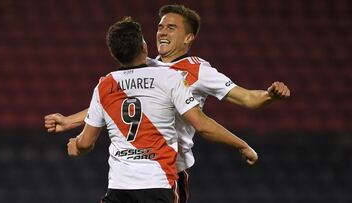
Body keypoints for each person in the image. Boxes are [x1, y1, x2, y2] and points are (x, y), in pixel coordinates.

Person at [45, 4, 290, 203]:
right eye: (160, 27)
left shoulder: (197, 70)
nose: (162, 32)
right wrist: (70, 121)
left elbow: (247, 98)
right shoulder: (146, 65)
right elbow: (114, 104)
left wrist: (270, 95)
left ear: (188, 38)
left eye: (171, 28)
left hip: (170, 171)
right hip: (142, 172)